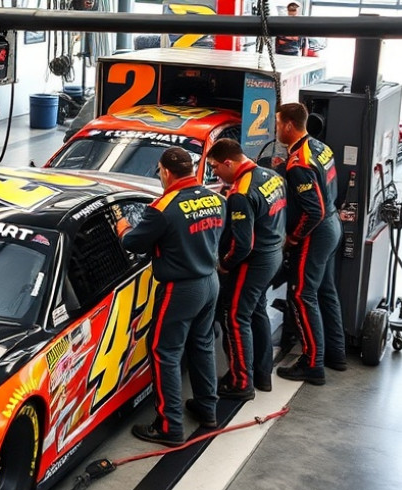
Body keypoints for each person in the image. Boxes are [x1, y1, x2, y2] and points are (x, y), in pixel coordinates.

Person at [116, 147, 225, 446]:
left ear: (165, 171)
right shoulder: (215, 198)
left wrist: (123, 226)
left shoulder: (164, 207)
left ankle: (169, 426)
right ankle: (208, 409)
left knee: (164, 352)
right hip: (210, 281)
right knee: (202, 346)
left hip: (180, 289)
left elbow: (135, 243)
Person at [208, 139, 287, 399]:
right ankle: (262, 374)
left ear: (229, 162)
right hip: (274, 253)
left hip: (254, 262)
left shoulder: (241, 194)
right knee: (256, 311)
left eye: (215, 167)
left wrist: (225, 264)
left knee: (235, 316)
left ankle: (241, 382)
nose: (214, 173)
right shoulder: (272, 176)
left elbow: (242, 245)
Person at [274, 103, 345, 384]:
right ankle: (335, 354)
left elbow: (312, 211)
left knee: (303, 294)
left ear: (289, 125)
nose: (277, 129)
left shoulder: (298, 162)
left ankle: (312, 364)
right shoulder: (319, 147)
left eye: (278, 123)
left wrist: (293, 237)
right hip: (333, 223)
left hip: (316, 232)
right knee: (326, 290)